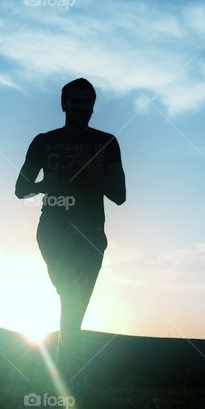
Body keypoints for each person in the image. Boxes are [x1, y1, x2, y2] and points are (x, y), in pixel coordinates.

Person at [14, 78, 126, 383]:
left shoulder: (107, 142)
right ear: (63, 105)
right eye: (74, 101)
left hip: (91, 233)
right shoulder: (43, 141)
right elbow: (20, 189)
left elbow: (119, 195)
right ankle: (68, 379)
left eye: (86, 101)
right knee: (69, 296)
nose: (80, 107)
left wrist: (91, 168)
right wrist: (40, 186)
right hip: (53, 230)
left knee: (74, 306)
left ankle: (67, 380)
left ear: (93, 105)